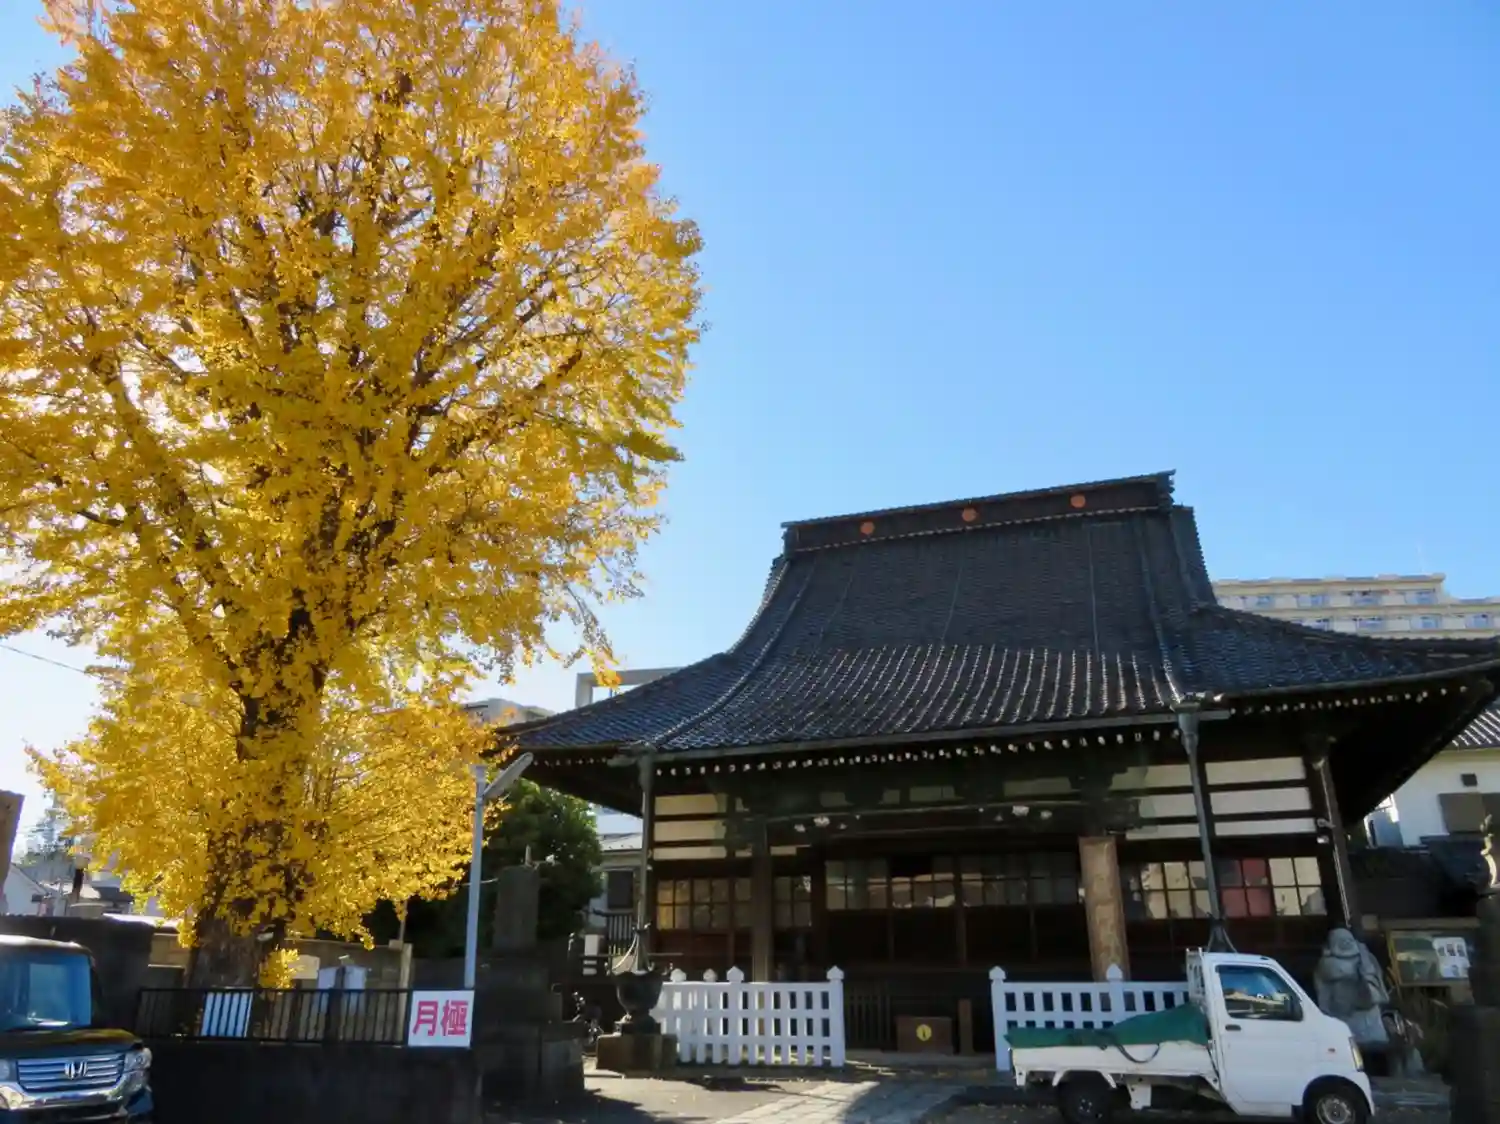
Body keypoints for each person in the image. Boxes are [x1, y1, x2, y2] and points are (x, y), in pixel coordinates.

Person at [1314, 927, 1390, 1047]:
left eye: (1349, 939)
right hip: (1343, 1013)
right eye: (1341, 940)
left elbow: (1376, 975)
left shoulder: (1366, 957)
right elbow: (1332, 973)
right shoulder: (1327, 963)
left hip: (1369, 1014)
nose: (1346, 943)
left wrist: (1367, 973)